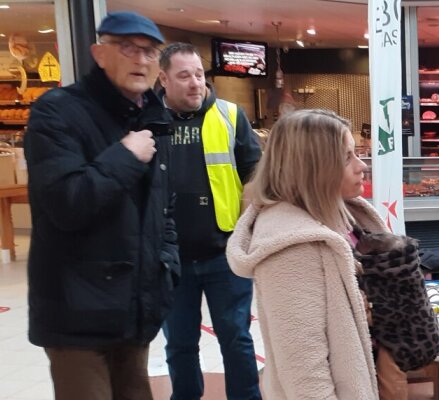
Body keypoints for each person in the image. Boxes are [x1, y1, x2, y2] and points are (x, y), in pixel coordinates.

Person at [23, 12, 177, 399]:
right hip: (77, 314)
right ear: (99, 53)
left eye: (150, 51)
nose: (140, 59)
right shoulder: (56, 111)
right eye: (127, 48)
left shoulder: (151, 117)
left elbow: (162, 206)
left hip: (134, 307)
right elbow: (66, 203)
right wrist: (125, 155)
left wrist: (166, 267)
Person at [227, 109, 380, 399]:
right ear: (314, 167)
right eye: (347, 157)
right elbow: (304, 372)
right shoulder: (290, 248)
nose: (362, 166)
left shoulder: (342, 216)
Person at [157, 42, 262, 400]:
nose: (194, 83)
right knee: (180, 343)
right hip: (170, 257)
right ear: (163, 79)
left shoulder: (231, 116)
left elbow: (255, 175)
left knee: (237, 339)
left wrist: (251, 228)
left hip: (225, 252)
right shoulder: (145, 119)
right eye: (183, 76)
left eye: (199, 74)